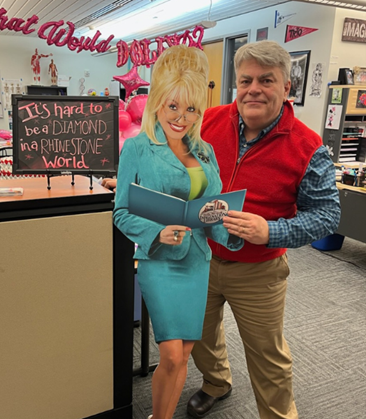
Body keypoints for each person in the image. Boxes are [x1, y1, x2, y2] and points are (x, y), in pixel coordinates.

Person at [186, 40, 341, 419]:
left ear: (287, 87)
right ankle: (216, 382)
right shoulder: (208, 121)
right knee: (201, 335)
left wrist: (270, 231)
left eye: (266, 80)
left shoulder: (308, 146)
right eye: (246, 80)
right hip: (202, 256)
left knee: (267, 356)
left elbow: (326, 215)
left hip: (258, 270)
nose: (253, 88)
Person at [113, 45, 234, 419]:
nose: (181, 118)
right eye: (173, 107)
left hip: (198, 258)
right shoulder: (138, 148)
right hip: (160, 260)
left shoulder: (206, 151)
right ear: (158, 105)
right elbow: (120, 211)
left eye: (191, 109)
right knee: (168, 352)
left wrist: (231, 225)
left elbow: (213, 208)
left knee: (185, 352)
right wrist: (156, 232)